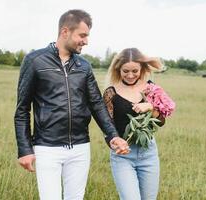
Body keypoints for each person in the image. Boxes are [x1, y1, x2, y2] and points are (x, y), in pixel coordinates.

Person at [14, 9, 129, 200]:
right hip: (47, 147)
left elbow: (97, 104)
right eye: (82, 35)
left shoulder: (84, 66)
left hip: (80, 147)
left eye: (87, 36)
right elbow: (22, 109)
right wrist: (25, 149)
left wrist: (113, 135)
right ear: (65, 31)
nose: (86, 41)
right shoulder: (34, 61)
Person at [103, 48, 166, 200]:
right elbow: (107, 125)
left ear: (142, 69)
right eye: (125, 71)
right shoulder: (111, 93)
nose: (130, 75)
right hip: (123, 156)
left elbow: (161, 121)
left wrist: (151, 107)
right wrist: (115, 143)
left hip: (148, 153)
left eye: (134, 71)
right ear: (118, 69)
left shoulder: (151, 89)